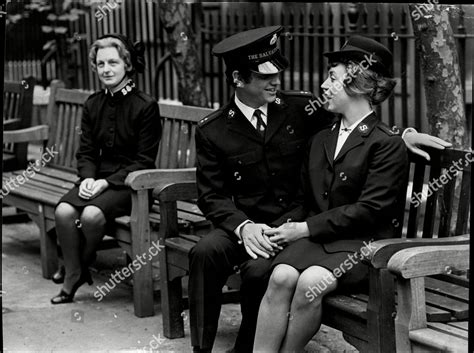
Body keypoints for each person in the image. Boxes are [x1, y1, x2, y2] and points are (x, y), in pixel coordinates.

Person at [190, 27, 451, 353]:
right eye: (263, 76)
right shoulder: (215, 128)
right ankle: (201, 347)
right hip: (250, 223)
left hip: (306, 226)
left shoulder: (302, 108)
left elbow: (365, 128)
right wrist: (244, 227)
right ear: (239, 79)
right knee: (205, 253)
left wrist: (403, 138)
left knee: (275, 275)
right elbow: (211, 195)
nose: (276, 82)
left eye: (278, 74)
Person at [253, 35, 410, 352]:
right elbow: (303, 201)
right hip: (322, 241)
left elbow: (369, 210)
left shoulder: (385, 144)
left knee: (311, 282)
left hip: (365, 246)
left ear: (357, 83)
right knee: (281, 275)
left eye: (332, 77)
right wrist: (278, 229)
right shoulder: (322, 137)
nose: (324, 85)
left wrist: (304, 229)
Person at [50, 34, 162, 304]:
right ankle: (77, 269)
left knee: (90, 216)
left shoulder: (145, 106)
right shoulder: (93, 104)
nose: (106, 69)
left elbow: (144, 160)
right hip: (97, 180)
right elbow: (86, 151)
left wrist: (106, 183)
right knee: (64, 211)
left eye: (113, 62)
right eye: (100, 64)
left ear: (127, 65)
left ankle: (74, 269)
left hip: (131, 184)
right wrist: (88, 178)